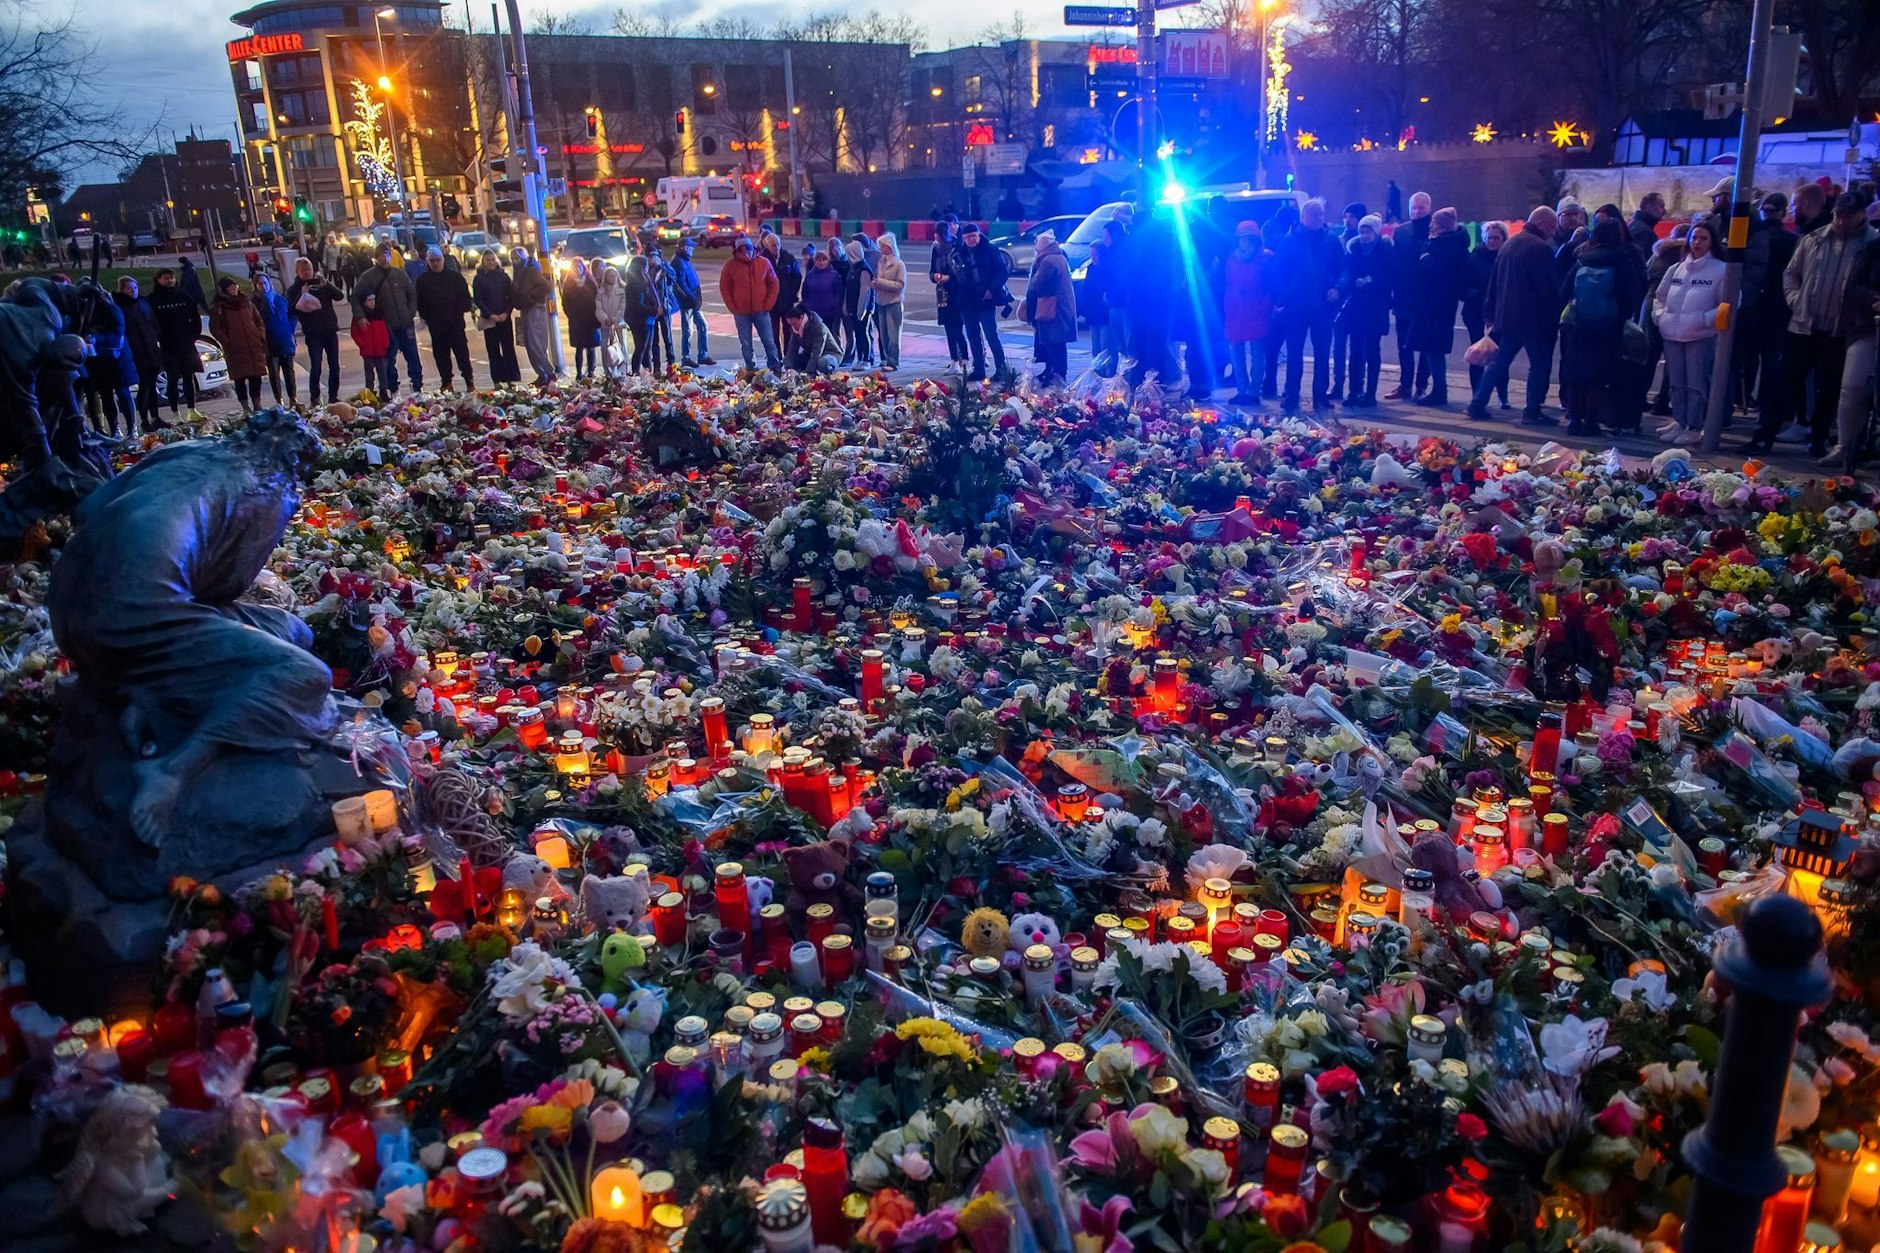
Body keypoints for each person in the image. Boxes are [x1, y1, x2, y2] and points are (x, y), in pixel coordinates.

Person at [1751, 192, 1879, 458]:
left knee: (1830, 386)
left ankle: (1817, 436)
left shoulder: (1871, 243)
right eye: (1837, 215)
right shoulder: (1815, 238)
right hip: (1805, 322)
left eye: (1848, 215)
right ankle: (1766, 434)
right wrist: (1795, 299)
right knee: (1785, 380)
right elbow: (1791, 273)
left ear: (1861, 215)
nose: (1841, 221)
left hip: (1842, 327)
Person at [1466, 206, 1563, 426]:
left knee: (1499, 362)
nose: (1552, 232)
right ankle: (1532, 411)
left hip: (1507, 318)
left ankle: (1477, 403)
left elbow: (1495, 282)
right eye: (1551, 227)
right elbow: (1547, 287)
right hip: (1533, 319)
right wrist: (1554, 314)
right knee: (1539, 364)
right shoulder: (1540, 248)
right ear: (1541, 224)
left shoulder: (1510, 245)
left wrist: (1490, 312)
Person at [1558, 218, 1646, 436]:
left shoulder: (1582, 260)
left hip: (1579, 326)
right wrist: (1620, 317)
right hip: (1609, 327)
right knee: (1598, 376)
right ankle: (1591, 421)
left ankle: (1574, 420)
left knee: (1576, 375)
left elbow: (1564, 291)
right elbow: (1632, 294)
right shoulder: (1622, 260)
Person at [1651, 220, 1726, 446]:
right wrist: (1661, 317)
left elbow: (1730, 302)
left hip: (1699, 335)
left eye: (1703, 238)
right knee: (1677, 382)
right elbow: (1660, 295)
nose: (1697, 242)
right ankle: (1681, 421)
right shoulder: (1677, 268)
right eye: (1694, 237)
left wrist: (1703, 319)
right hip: (1672, 333)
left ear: (1712, 241)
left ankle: (1694, 426)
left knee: (1696, 384)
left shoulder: (1720, 270)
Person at [1274, 198, 1345, 414]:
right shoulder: (1289, 241)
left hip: (1322, 307)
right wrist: (1283, 299)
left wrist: (1338, 288)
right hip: (1295, 307)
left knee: (1322, 353)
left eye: (1321, 215)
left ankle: (1320, 396)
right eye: (1314, 215)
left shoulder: (1331, 241)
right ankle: (1291, 395)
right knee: (1294, 352)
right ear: (1303, 217)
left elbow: (1343, 269)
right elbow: (1279, 271)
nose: (1318, 219)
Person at [1737, 192, 1798, 420]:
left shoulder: (1752, 236)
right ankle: (1765, 401)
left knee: (1749, 354)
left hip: (1753, 301)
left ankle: (1745, 398)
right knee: (1771, 356)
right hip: (1779, 303)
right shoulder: (1792, 240)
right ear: (1783, 212)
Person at [1405, 207, 1469, 407]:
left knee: (1434, 349)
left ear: (1441, 226)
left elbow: (1438, 272)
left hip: (1437, 305)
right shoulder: (1444, 243)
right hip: (1432, 303)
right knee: (1432, 349)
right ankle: (1438, 389)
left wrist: (1424, 256)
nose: (1430, 225)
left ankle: (1440, 391)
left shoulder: (1448, 247)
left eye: (1434, 222)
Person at [1830, 235, 1880, 474]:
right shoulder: (1871, 249)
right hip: (1869, 327)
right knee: (1854, 385)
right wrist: (1874, 299)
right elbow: (1852, 285)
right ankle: (1845, 445)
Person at [1335, 214, 1392, 409]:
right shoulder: (1354, 250)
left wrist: (1370, 282)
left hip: (1376, 307)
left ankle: (1370, 393)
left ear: (1376, 232)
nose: (1365, 235)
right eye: (1362, 231)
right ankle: (1354, 390)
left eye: (1368, 231)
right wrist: (1354, 283)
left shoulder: (1385, 251)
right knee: (1356, 350)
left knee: (1372, 351)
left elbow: (1390, 278)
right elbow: (1347, 273)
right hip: (1356, 307)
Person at [352, 245, 421, 395]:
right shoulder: (369, 277)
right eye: (382, 255)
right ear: (376, 258)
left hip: (405, 321)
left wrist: (411, 312)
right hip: (386, 325)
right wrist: (361, 316)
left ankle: (417, 386)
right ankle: (392, 388)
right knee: (389, 359)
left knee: (412, 356)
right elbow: (356, 297)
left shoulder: (399, 274)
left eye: (387, 255)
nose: (385, 258)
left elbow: (411, 294)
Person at [1384, 192, 1430, 400]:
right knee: (1404, 344)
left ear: (1429, 208)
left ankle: (1421, 385)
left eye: (1421, 208)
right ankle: (1405, 384)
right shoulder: (1401, 232)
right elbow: (1393, 265)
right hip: (1403, 296)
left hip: (1424, 297)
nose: (1417, 212)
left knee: (1425, 343)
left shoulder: (1434, 231)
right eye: (1414, 208)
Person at [1462, 220, 1510, 411]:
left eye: (1496, 238)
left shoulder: (1507, 257)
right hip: (1476, 313)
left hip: (1500, 313)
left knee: (1500, 355)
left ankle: (1503, 395)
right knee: (1478, 353)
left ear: (1503, 239)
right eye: (1489, 238)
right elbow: (1463, 284)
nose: (1492, 241)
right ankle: (1477, 394)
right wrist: (1477, 295)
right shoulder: (1475, 257)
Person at [413, 248, 475, 391]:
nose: (435, 263)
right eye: (432, 261)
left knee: (462, 354)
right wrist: (428, 317)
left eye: (438, 260)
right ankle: (446, 382)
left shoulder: (455, 277)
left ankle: (469, 381)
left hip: (455, 324)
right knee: (441, 356)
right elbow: (420, 303)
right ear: (428, 262)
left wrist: (458, 311)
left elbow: (465, 299)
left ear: (443, 260)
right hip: (437, 326)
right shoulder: (423, 280)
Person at [1022, 230, 1078, 387]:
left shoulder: (1048, 261)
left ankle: (1058, 375)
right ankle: (1052, 371)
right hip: (1058, 308)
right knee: (1053, 343)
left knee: (1054, 343)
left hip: (1052, 309)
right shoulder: (1057, 257)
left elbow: (1037, 283)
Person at [719, 236, 781, 373]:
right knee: (746, 342)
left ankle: (774, 365)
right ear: (738, 251)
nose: (747, 253)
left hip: (761, 309)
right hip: (741, 311)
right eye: (743, 251)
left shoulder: (763, 263)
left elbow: (774, 284)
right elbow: (725, 287)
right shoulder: (730, 265)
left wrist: (768, 304)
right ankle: (751, 367)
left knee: (768, 340)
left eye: (749, 250)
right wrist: (733, 307)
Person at [956, 222, 1009, 382]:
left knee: (991, 335)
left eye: (973, 236)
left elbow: (1002, 272)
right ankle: (979, 369)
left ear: (979, 235)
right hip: (967, 301)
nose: (971, 239)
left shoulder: (990, 250)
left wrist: (991, 290)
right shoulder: (960, 253)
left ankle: (1001, 369)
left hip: (986, 300)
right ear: (963, 239)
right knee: (972, 336)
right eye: (967, 237)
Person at [208, 276, 269, 416]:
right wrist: (227, 341)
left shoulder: (246, 303)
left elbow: (258, 320)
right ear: (225, 290)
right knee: (240, 379)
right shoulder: (219, 308)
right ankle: (245, 406)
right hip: (235, 348)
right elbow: (215, 328)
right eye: (231, 288)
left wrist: (260, 335)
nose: (235, 290)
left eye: (236, 287)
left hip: (253, 345)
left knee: (256, 377)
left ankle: (257, 404)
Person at [287, 257, 343, 405]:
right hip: (313, 332)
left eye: (309, 269)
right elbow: (291, 310)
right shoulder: (294, 289)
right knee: (316, 366)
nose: (307, 273)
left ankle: (333, 396)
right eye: (303, 270)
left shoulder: (321, 284)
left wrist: (328, 285)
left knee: (335, 366)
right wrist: (301, 294)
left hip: (329, 329)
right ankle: (315, 398)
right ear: (297, 272)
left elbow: (339, 296)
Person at [147, 268, 202, 415]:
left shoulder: (183, 297)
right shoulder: (152, 300)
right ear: (158, 280)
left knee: (188, 378)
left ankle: (192, 409)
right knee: (172, 380)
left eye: (171, 278)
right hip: (167, 347)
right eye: (165, 278)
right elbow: (150, 323)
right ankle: (175, 412)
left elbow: (195, 318)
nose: (169, 280)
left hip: (186, 344)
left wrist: (193, 336)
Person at [85, 279, 134, 438]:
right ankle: (114, 429)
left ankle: (132, 428)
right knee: (106, 395)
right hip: (98, 360)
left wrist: (96, 338)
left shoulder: (110, 309)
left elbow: (117, 332)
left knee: (122, 392)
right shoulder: (85, 311)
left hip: (117, 358)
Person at [116, 276, 164, 431]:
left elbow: (154, 324)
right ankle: (144, 420)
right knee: (144, 386)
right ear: (122, 289)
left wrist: (156, 341)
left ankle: (155, 417)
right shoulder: (121, 307)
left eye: (134, 288)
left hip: (151, 349)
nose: (132, 291)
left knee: (152, 384)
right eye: (129, 288)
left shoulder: (143, 303)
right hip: (136, 352)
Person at [1085, 219, 1126, 376]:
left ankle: (1109, 375)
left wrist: (1105, 298)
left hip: (1104, 312)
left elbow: (1108, 286)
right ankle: (1098, 375)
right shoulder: (1090, 269)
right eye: (1091, 255)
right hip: (1094, 314)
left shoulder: (1107, 267)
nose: (1093, 258)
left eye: (1096, 255)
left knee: (1107, 346)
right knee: (1096, 348)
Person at [472, 251, 521, 385]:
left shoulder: (503, 276)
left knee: (508, 348)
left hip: (504, 318)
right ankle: (497, 380)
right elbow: (479, 299)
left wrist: (506, 313)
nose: (491, 262)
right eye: (488, 260)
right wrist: (490, 314)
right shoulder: (479, 278)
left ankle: (511, 378)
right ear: (483, 261)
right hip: (490, 319)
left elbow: (510, 297)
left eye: (493, 259)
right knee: (493, 350)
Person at [252, 271, 298, 406]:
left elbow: (292, 315)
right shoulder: (254, 303)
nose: (263, 286)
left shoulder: (280, 299)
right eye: (260, 284)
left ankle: (293, 398)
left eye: (265, 283)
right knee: (274, 372)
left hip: (284, 340)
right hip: (269, 342)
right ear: (256, 286)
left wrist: (290, 329)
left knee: (289, 371)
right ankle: (279, 400)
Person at [930, 217, 970, 369]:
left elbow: (963, 271)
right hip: (942, 293)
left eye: (937, 234)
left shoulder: (957, 245)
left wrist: (949, 277)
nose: (935, 237)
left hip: (957, 293)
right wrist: (935, 276)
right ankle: (954, 361)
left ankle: (965, 360)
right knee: (948, 327)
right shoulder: (935, 248)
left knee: (958, 327)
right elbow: (931, 270)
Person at [512, 249, 555, 385]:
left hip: (535, 308)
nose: (514, 262)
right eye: (512, 259)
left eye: (517, 259)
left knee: (536, 343)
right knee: (529, 343)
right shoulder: (519, 272)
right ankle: (541, 373)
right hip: (525, 307)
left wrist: (530, 296)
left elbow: (545, 287)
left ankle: (549, 372)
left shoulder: (531, 271)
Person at [670, 237, 711, 366]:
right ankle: (686, 357)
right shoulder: (678, 262)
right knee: (688, 330)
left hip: (693, 301)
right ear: (684, 248)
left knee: (701, 326)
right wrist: (693, 298)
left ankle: (702, 355)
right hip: (687, 302)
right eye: (690, 247)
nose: (692, 250)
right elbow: (681, 284)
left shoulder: (685, 261)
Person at [560, 258, 602, 378]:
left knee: (590, 347)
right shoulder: (569, 284)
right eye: (575, 268)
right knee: (579, 347)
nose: (577, 270)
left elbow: (596, 298)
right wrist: (571, 315)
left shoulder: (589, 281)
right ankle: (579, 372)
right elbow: (565, 302)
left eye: (579, 267)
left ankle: (590, 371)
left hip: (590, 319)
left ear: (583, 268)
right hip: (576, 320)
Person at [838, 238, 876, 367]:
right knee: (858, 334)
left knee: (864, 333)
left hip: (862, 309)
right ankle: (860, 358)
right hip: (853, 308)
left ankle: (867, 359)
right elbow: (849, 289)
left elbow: (865, 293)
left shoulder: (864, 269)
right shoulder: (853, 268)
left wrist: (862, 310)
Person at [763, 232, 802, 356]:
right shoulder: (763, 259)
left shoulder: (788, 257)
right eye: (773, 245)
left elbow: (797, 276)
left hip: (787, 301)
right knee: (773, 332)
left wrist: (791, 292)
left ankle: (788, 356)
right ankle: (777, 356)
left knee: (789, 331)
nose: (777, 247)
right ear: (767, 245)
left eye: (778, 244)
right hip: (772, 303)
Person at [874, 233, 906, 371]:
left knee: (893, 334)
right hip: (881, 302)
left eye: (883, 246)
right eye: (880, 246)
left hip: (893, 303)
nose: (881, 248)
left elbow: (900, 285)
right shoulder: (881, 262)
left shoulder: (899, 264)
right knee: (884, 334)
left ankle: (894, 362)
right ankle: (886, 359)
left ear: (890, 246)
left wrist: (880, 283)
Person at [350, 293, 392, 395]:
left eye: (373, 300)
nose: (372, 302)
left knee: (382, 372)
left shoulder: (379, 314)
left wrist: (385, 344)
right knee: (369, 373)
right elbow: (355, 332)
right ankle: (370, 391)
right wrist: (362, 344)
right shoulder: (360, 316)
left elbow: (385, 330)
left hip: (380, 349)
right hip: (367, 350)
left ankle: (383, 391)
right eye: (369, 300)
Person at [801, 248, 845, 342]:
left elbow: (839, 293)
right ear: (815, 261)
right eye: (819, 260)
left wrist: (832, 304)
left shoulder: (834, 275)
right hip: (814, 312)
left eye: (824, 260)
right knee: (815, 336)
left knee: (830, 336)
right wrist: (808, 306)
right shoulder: (810, 275)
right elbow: (805, 292)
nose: (821, 263)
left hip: (829, 312)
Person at [781, 306, 839, 375]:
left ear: (801, 317)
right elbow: (792, 350)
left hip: (829, 354)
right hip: (809, 355)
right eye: (791, 325)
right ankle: (811, 368)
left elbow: (817, 351)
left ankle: (823, 371)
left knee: (822, 363)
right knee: (787, 360)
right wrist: (788, 369)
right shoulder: (795, 330)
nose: (793, 327)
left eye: (795, 324)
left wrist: (808, 373)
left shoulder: (818, 327)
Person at [596, 263, 628, 374]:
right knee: (605, 347)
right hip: (606, 324)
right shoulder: (601, 292)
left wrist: (615, 319)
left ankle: (622, 370)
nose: (613, 278)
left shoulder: (622, 290)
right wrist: (605, 319)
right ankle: (608, 372)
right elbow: (598, 308)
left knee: (621, 346)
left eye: (615, 275)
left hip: (619, 324)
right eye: (611, 276)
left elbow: (623, 307)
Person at [1627, 192, 1665, 265]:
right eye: (1661, 206)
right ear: (1649, 206)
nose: (1664, 211)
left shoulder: (1634, 224)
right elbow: (1644, 262)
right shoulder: (1644, 232)